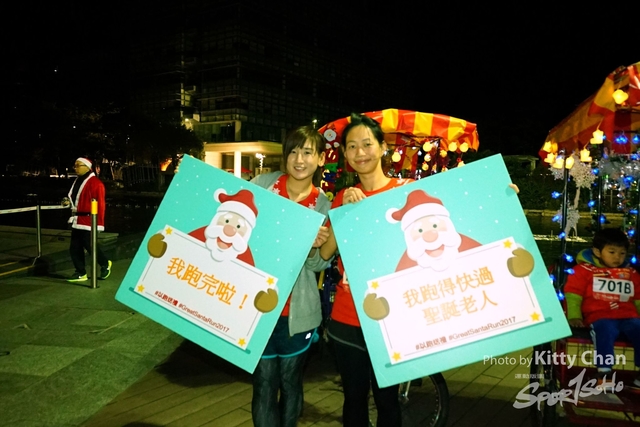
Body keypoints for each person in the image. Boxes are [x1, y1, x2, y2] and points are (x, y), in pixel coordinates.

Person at [319, 113, 413, 427]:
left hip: (393, 317)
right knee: (354, 400)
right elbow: (325, 253)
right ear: (345, 155)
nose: (360, 152)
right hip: (347, 317)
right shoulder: (342, 200)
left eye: (367, 144)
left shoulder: (406, 192)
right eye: (352, 146)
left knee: (388, 402)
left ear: (383, 147)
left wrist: (501, 194)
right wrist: (343, 212)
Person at [249, 126, 332, 427]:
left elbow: (318, 266)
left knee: (290, 380)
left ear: (320, 159)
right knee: (263, 382)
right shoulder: (262, 186)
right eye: (293, 151)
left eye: (307, 152)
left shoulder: (324, 206)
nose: (299, 159)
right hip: (256, 307)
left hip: (297, 314)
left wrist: (314, 248)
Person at [564, 227, 640, 387]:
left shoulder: (631, 273)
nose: (617, 257)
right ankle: (604, 371)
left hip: (629, 316)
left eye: (622, 253)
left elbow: (638, 298)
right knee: (606, 330)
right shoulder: (583, 271)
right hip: (600, 316)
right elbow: (573, 294)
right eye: (612, 252)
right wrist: (574, 316)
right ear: (597, 252)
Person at [65, 157, 112, 283]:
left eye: (78, 165)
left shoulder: (96, 183)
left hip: (89, 220)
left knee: (90, 246)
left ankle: (105, 263)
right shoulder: (78, 181)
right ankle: (81, 272)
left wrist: (99, 223)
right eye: (75, 165)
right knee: (74, 247)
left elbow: (101, 205)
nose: (75, 168)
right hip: (77, 219)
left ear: (87, 167)